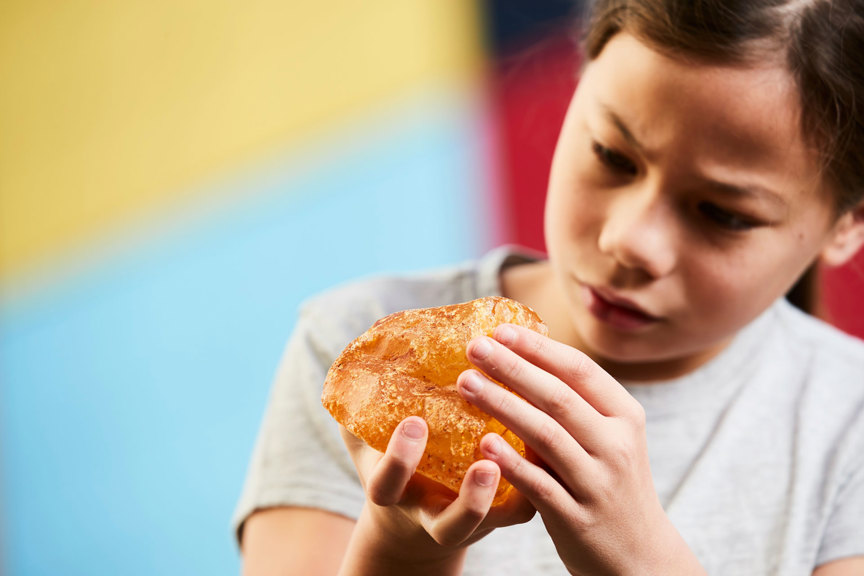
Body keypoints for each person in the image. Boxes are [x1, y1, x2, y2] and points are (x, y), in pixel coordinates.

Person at [233, 0, 864, 574]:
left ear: (847, 224)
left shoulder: (848, 426)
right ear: (579, 81)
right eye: (614, 155)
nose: (630, 240)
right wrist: (400, 541)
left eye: (723, 214)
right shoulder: (356, 347)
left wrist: (639, 555)